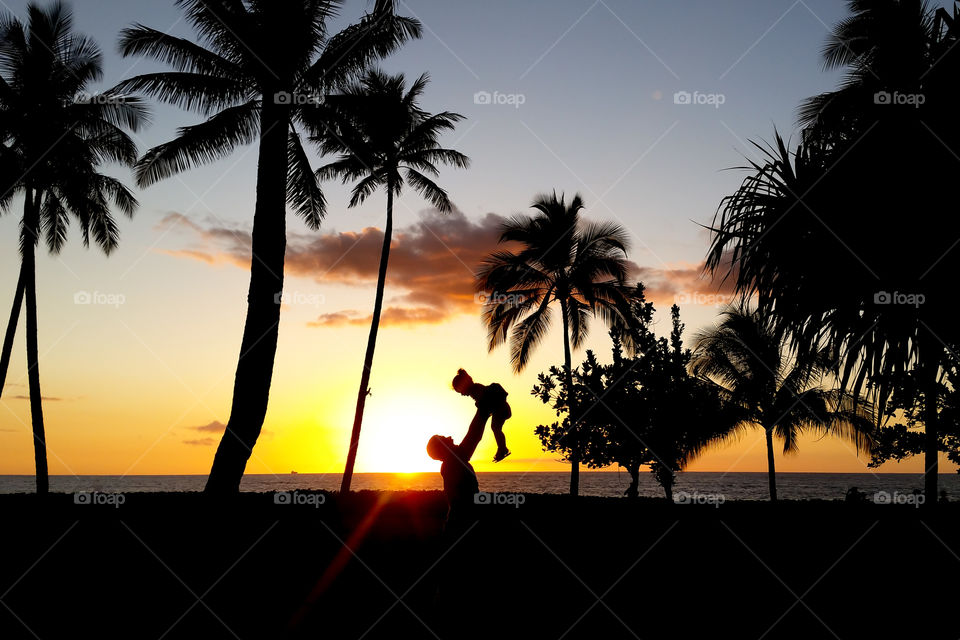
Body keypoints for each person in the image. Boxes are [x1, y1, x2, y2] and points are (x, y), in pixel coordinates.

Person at [451, 368, 512, 462]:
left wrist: (481, 406)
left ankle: (502, 448)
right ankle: (502, 448)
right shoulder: (475, 389)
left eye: (460, 391)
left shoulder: (475, 389)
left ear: (464, 385)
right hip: (500, 408)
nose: (462, 394)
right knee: (496, 428)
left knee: (495, 428)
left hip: (500, 408)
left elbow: (484, 401)